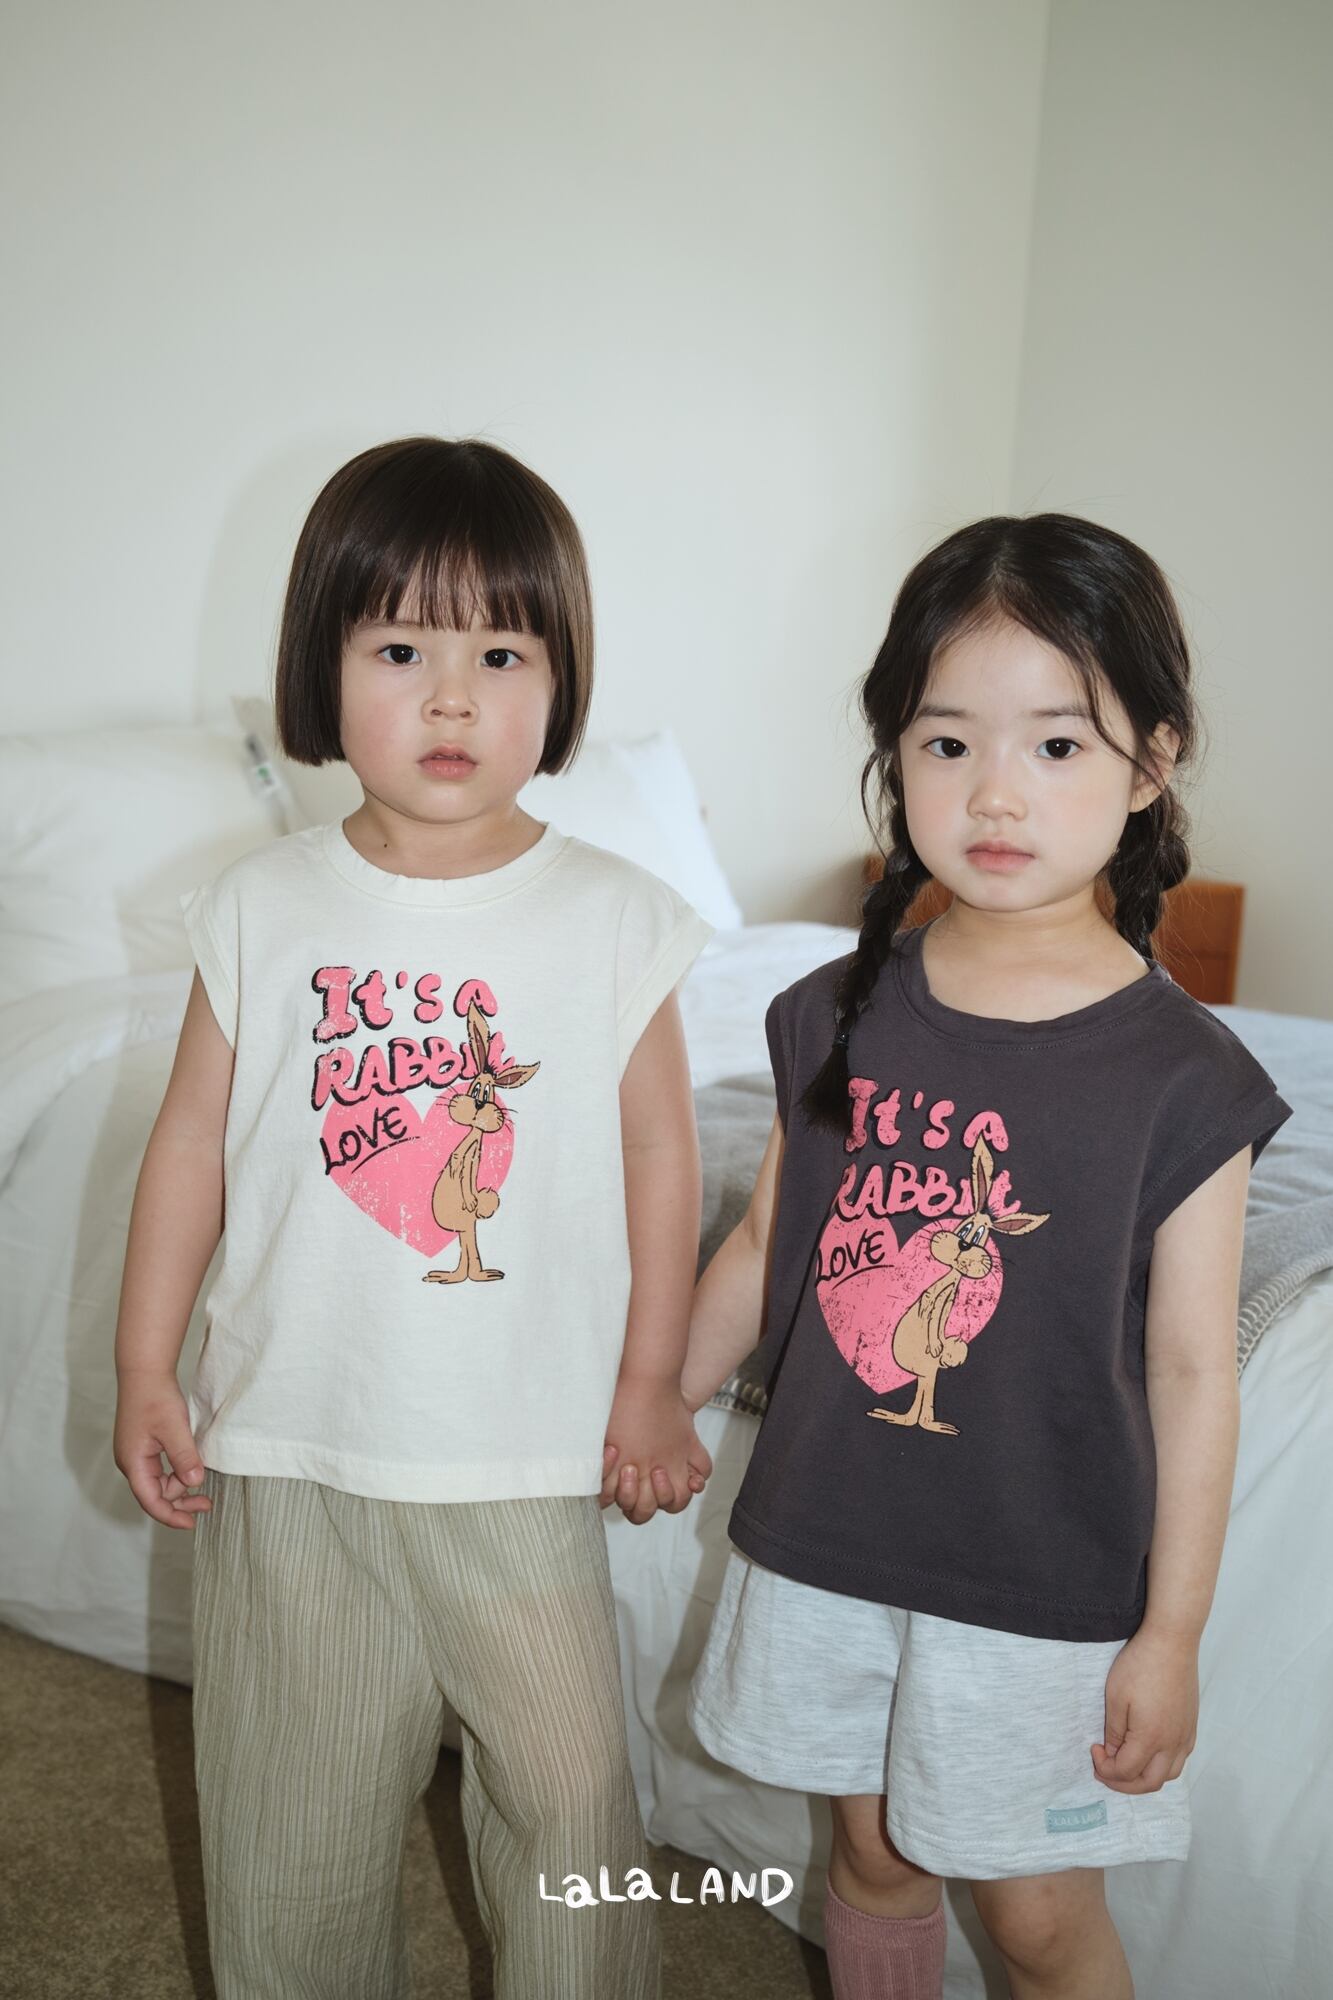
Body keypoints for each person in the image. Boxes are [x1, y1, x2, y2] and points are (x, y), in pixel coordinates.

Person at [641, 514, 1293, 1999]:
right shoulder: (831, 1012)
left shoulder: (1183, 1078)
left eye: (1056, 746)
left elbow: (1193, 1369)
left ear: (1153, 761)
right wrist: (657, 1399)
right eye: (947, 744)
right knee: (870, 1861)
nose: (995, 792)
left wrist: (1172, 1632)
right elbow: (770, 1242)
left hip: (1040, 1578)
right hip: (831, 1536)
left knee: (1037, 1920)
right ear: (895, 753)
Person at [112, 435, 715, 2000]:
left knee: (570, 1807)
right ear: (321, 666)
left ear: (559, 680)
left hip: (518, 1452)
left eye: (500, 655)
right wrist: (144, 1366)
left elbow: (661, 1156)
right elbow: (190, 1148)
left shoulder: (614, 917)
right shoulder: (258, 906)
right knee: (290, 1831)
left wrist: (651, 1379)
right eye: (400, 651)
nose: (452, 700)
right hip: (290, 1447)